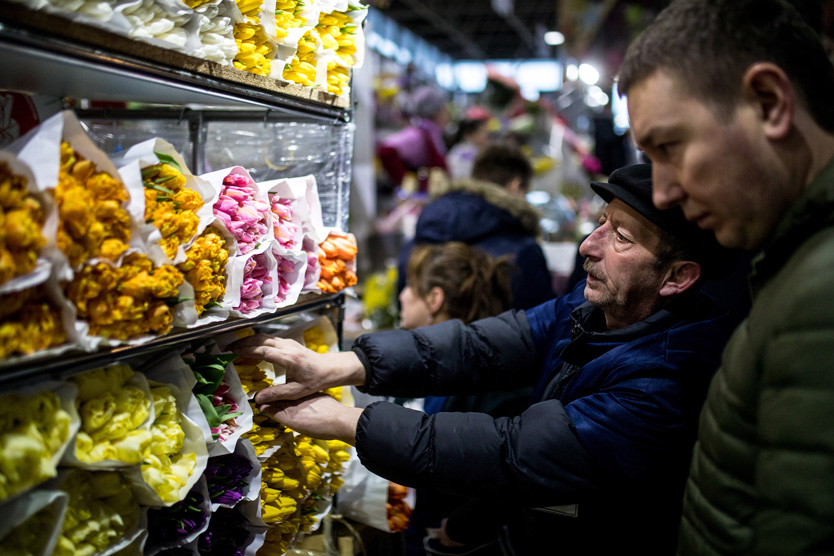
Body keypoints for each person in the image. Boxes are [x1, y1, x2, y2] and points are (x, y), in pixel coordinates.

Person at [232, 163, 740, 554]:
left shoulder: (667, 376)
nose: (589, 245)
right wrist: (345, 365)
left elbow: (512, 453)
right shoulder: (591, 309)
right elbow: (485, 344)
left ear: (677, 277)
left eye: (621, 239)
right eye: (601, 224)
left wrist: (348, 421)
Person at [616, 0, 834, 553]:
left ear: (769, 101)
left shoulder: (821, 290)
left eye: (670, 147)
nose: (662, 192)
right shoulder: (794, 261)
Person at [396, 242, 529, 555]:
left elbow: (511, 472)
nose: (402, 295)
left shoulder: (483, 380)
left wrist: (463, 525)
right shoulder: (452, 368)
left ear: (435, 299)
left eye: (411, 287)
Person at [396, 144, 555, 311]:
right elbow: (540, 323)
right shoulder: (525, 251)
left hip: (420, 336)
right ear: (516, 185)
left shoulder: (426, 229)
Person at [378, 86, 451, 193]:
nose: (448, 114)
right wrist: (405, 180)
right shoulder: (419, 133)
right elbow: (386, 151)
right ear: (435, 112)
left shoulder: (431, 131)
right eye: (444, 109)